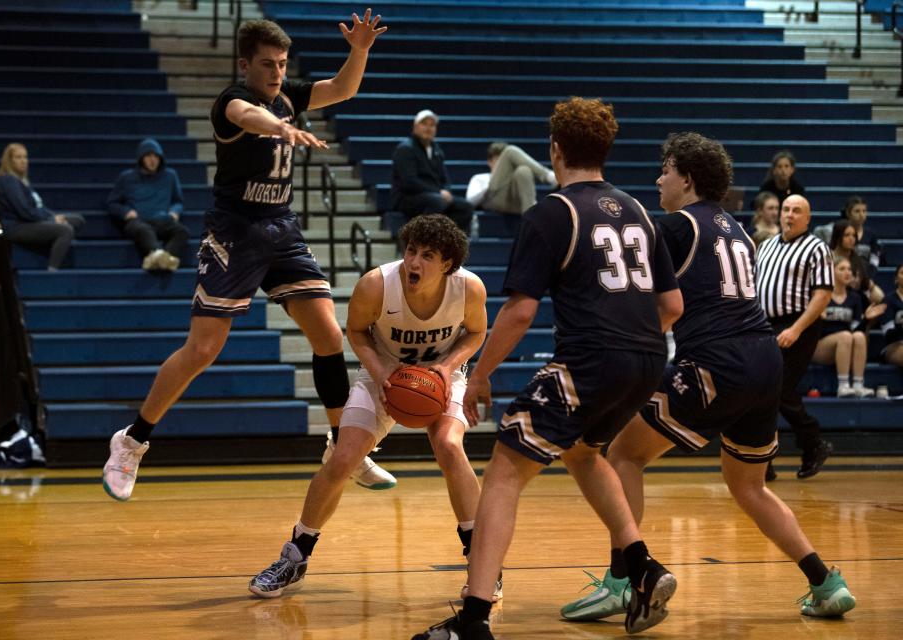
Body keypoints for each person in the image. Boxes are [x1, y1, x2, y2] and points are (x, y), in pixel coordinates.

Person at [413, 97, 685, 640]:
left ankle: (474, 619)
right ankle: (643, 567)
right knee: (584, 452)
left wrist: (481, 374)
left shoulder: (551, 213)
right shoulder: (637, 210)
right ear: (604, 151)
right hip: (648, 358)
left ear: (555, 149)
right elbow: (673, 307)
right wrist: (630, 348)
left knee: (505, 470)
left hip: (591, 358)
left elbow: (519, 311)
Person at [559, 132, 856, 625]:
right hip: (765, 360)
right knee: (750, 486)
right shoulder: (738, 230)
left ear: (688, 179)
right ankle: (826, 582)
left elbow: (645, 298)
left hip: (719, 360)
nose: (659, 179)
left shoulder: (676, 227)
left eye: (666, 171)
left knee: (623, 455)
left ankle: (622, 580)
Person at [102, 11, 395, 500]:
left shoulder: (288, 95)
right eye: (267, 65)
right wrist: (282, 130)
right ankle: (131, 442)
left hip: (281, 229)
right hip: (234, 233)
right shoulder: (232, 102)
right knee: (203, 350)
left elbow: (341, 89)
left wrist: (359, 50)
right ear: (245, 65)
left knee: (328, 335)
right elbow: (247, 117)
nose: (277, 73)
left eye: (281, 64)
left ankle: (344, 447)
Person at [248, 214, 491, 598]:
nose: (414, 262)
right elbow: (356, 331)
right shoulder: (377, 284)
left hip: (440, 374)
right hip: (384, 371)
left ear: (447, 264)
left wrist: (445, 368)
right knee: (343, 457)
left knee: (449, 446)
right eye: (411, 251)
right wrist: (381, 374)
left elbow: (476, 332)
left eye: (428, 256)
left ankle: (482, 562)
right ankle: (295, 556)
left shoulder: (469, 289)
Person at [756, 194, 834, 481]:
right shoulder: (766, 246)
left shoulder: (817, 248)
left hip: (797, 325)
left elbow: (823, 294)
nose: (789, 214)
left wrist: (796, 329)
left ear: (807, 218)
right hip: (765, 327)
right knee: (761, 392)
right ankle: (765, 459)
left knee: (779, 390)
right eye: (786, 209)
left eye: (796, 210)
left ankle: (812, 442)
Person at [0, 143, 85, 270]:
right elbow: (24, 211)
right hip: (16, 226)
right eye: (18, 157)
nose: (23, 161)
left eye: (25, 157)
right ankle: (52, 270)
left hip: (31, 221)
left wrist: (53, 216)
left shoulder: (22, 181)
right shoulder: (8, 181)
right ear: (9, 161)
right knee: (65, 230)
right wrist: (52, 220)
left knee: (76, 220)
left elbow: (38, 206)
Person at [106, 138, 190, 271]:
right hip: (138, 221)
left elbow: (178, 201)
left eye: (156, 156)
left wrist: (174, 212)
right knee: (144, 230)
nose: (153, 160)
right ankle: (162, 259)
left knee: (182, 231)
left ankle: (161, 258)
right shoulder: (127, 177)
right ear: (141, 158)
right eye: (148, 156)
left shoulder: (170, 176)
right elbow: (112, 203)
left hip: (161, 220)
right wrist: (126, 212)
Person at [390, 109, 473, 233]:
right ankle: (426, 241)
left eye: (432, 125)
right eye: (424, 124)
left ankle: (450, 244)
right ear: (415, 126)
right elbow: (409, 182)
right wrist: (438, 192)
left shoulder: (437, 150)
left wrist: (446, 191)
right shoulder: (405, 149)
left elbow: (444, 179)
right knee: (437, 202)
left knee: (465, 207)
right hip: (407, 198)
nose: (428, 128)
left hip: (433, 195)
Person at [812, 256, 884, 397]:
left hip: (845, 345)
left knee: (859, 336)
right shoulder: (821, 295)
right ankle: (843, 385)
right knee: (845, 336)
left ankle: (858, 385)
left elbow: (855, 330)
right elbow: (810, 330)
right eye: (842, 269)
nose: (847, 272)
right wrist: (818, 318)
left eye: (849, 269)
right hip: (820, 346)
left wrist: (866, 320)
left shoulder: (854, 298)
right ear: (831, 272)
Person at [465, 141, 557, 214]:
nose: (501, 164)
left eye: (503, 160)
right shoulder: (480, 178)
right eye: (498, 160)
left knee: (523, 170)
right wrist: (487, 188)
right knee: (510, 150)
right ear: (489, 162)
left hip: (514, 201)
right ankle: (550, 176)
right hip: (492, 199)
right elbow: (469, 202)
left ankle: (529, 224)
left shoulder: (514, 178)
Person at [830, 219, 883, 305]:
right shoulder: (827, 258)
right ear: (838, 236)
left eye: (854, 235)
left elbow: (868, 286)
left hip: (856, 303)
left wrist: (873, 289)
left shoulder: (859, 261)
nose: (851, 239)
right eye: (846, 235)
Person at [880, 265, 903, 367]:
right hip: (894, 345)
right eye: (902, 273)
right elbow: (888, 334)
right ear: (896, 279)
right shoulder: (888, 300)